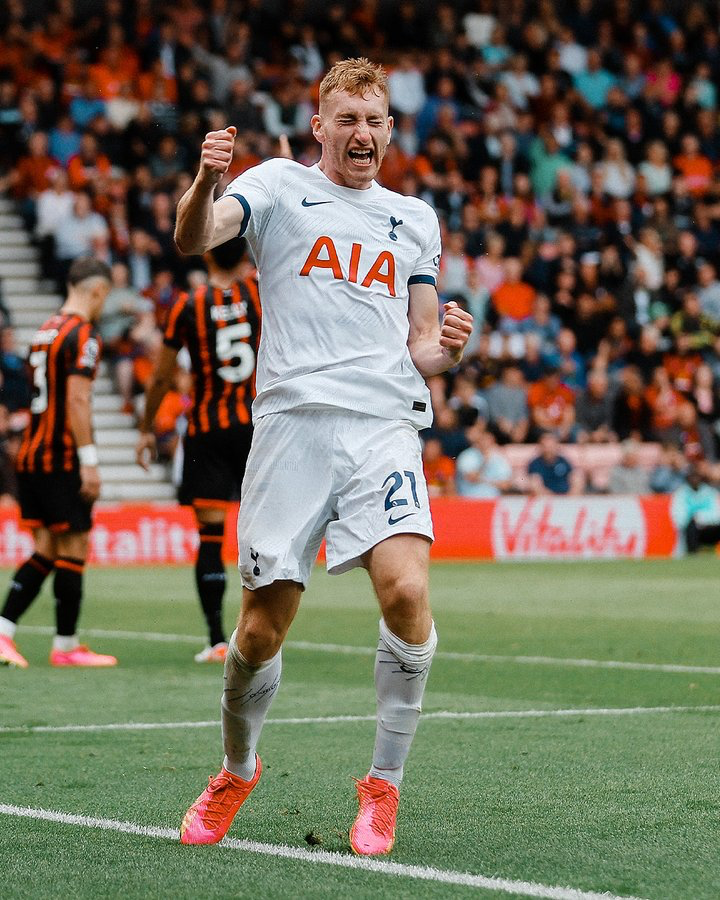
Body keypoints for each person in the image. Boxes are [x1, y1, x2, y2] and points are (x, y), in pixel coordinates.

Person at [173, 58, 473, 855]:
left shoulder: (415, 219)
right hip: (292, 425)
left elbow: (420, 348)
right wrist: (207, 181)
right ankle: (237, 768)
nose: (362, 133)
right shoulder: (275, 187)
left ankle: (384, 785)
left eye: (373, 120)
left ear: (390, 128)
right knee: (263, 629)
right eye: (346, 119)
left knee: (408, 594)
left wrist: (447, 347)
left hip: (384, 424)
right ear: (320, 126)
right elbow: (193, 238)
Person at [136, 237, 261, 664]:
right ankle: (263, 634)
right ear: (245, 256)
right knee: (265, 532)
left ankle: (216, 638)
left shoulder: (188, 306)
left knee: (210, 537)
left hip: (207, 432)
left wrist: (147, 427)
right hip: (258, 428)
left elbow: (161, 376)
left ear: (206, 254)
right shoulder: (260, 293)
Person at [0, 257, 117, 669]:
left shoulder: (45, 330)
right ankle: (65, 645)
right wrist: (88, 461)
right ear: (97, 290)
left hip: (32, 454)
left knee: (47, 548)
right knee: (74, 545)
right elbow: (77, 399)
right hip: (60, 456)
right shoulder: (82, 333)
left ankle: (4, 631)